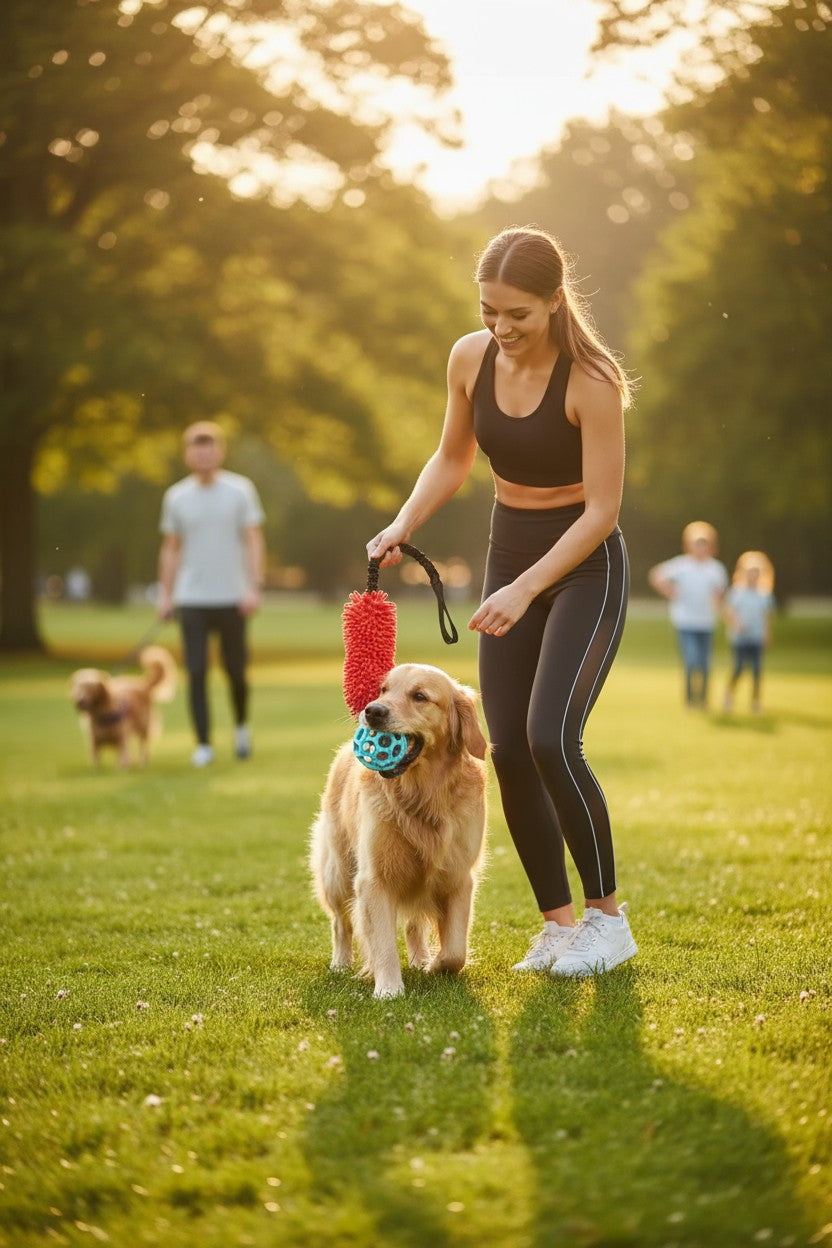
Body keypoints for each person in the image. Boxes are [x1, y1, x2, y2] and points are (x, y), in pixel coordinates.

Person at [366, 226, 637, 978]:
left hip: (583, 565)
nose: (500, 327)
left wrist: (525, 588)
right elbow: (454, 455)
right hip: (510, 548)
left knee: (551, 736)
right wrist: (403, 523)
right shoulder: (469, 357)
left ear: (555, 301)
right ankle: (556, 927)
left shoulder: (593, 381)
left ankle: (607, 920)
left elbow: (601, 514)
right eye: (489, 310)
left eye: (517, 313)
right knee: (508, 748)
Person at [158, 421, 265, 767]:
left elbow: (253, 539)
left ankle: (241, 729)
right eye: (196, 447)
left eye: (209, 447)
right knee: (196, 671)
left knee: (235, 671)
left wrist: (254, 585)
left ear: (219, 451)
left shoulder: (240, 490)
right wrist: (165, 593)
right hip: (192, 599)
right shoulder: (176, 496)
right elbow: (171, 548)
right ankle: (203, 743)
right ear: (187, 453)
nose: (203, 453)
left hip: (233, 598)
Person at [648, 521, 728, 709]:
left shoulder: (715, 569)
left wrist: (721, 607)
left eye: (704, 543)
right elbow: (656, 574)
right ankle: (690, 699)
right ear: (688, 545)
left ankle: (703, 700)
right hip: (685, 622)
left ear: (710, 545)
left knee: (705, 664)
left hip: (706, 622)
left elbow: (719, 594)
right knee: (691, 660)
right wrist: (669, 591)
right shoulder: (681, 566)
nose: (700, 547)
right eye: (696, 543)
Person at [722, 550, 775, 714]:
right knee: (738, 667)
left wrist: (767, 633)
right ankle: (729, 695)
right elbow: (728, 612)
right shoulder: (736, 593)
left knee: (757, 670)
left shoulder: (765, 595)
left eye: (756, 573)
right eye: (750, 572)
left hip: (756, 636)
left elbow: (766, 616)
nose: (753, 576)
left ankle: (755, 702)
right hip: (740, 637)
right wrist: (736, 625)